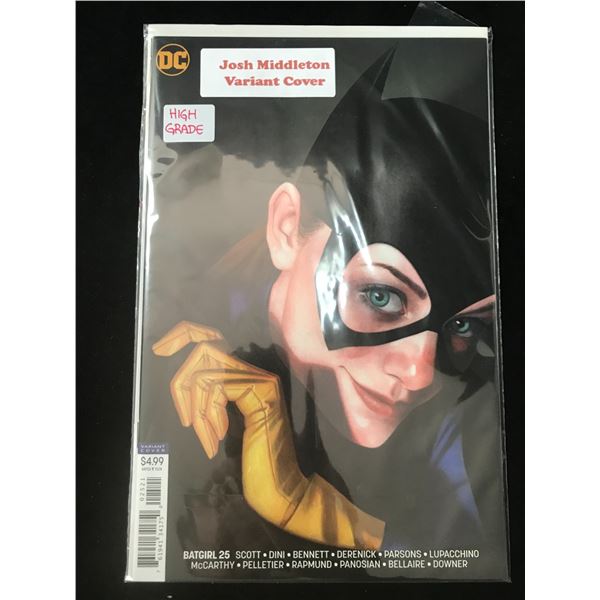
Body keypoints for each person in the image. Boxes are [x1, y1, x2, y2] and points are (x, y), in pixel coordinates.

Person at [152, 52, 506, 577]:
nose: (420, 374)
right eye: (381, 297)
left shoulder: (466, 410)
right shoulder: (169, 320)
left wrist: (320, 514)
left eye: (463, 324)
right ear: (287, 228)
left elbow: (477, 563)